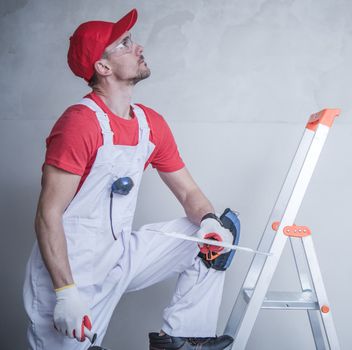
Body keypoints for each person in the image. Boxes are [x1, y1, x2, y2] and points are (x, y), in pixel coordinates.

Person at [23, 8, 237, 350]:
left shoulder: (149, 124)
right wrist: (65, 293)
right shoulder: (80, 124)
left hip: (120, 255)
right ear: (103, 67)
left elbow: (189, 193)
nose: (137, 47)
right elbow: (48, 215)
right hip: (72, 272)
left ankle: (181, 338)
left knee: (215, 236)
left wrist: (210, 223)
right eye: (124, 44)